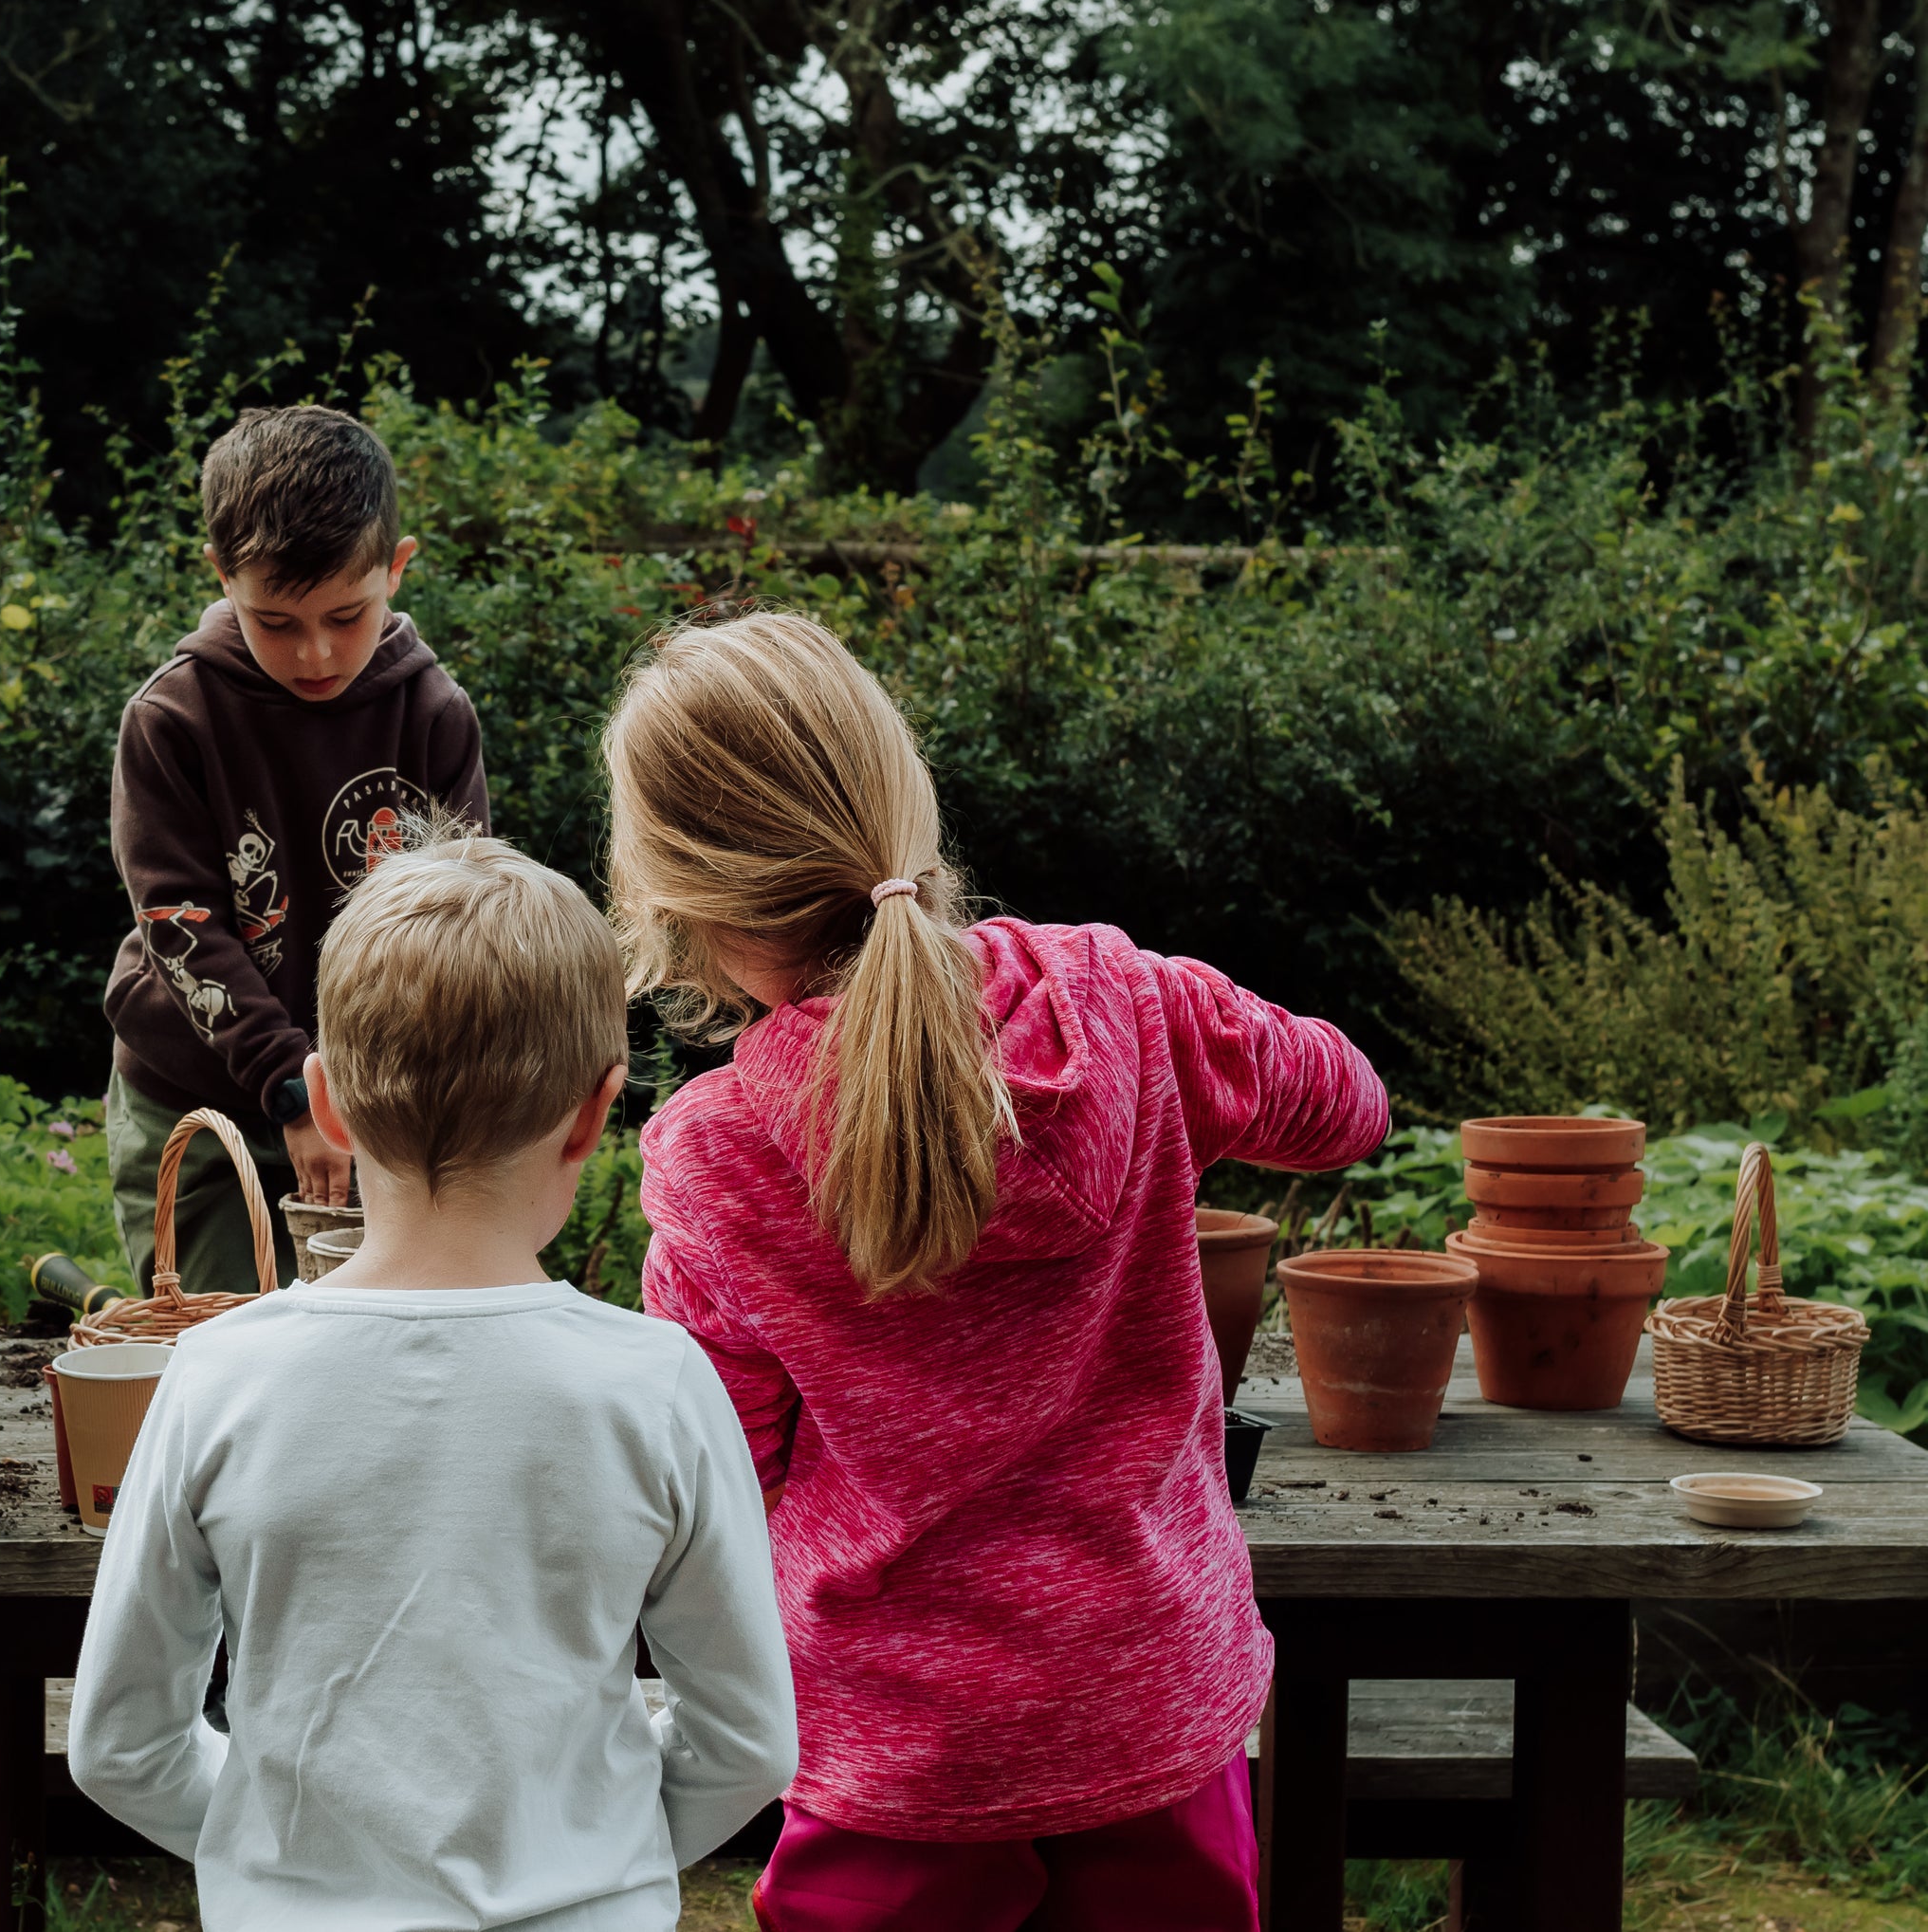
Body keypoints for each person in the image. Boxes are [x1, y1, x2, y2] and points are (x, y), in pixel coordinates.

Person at [602, 613, 1390, 1932]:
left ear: (678, 897)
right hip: (1150, 1706)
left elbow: (730, 1474)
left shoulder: (718, 1152)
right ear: (903, 802)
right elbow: (1348, 1107)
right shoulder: (1129, 1001)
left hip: (893, 1757)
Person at [69, 834, 799, 1930]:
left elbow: (120, 1746)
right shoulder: (655, 1386)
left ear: (325, 1102)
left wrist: (287, 1852)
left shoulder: (218, 1375)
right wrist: (593, 1849)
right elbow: (746, 1743)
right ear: (598, 1113)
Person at [101, 402, 490, 1294]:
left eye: (346, 615)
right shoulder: (172, 720)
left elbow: (455, 927)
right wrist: (293, 1086)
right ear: (221, 574)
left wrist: (377, 1098)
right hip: (202, 1103)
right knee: (218, 1347)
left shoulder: (434, 716)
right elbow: (181, 927)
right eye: (276, 622)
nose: (315, 653)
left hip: (379, 1112)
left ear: (398, 569)